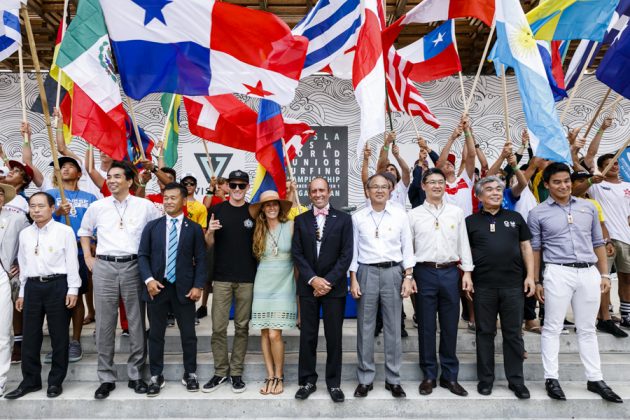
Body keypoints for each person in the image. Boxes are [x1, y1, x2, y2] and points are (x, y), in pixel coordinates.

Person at [528, 162, 622, 403]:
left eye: (567, 181)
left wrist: (603, 274)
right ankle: (552, 377)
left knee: (587, 328)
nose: (563, 186)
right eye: (557, 182)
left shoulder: (588, 208)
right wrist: (537, 279)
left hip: (588, 272)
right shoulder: (538, 212)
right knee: (552, 327)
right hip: (557, 272)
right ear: (547, 185)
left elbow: (598, 243)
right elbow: (536, 249)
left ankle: (595, 378)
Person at [78, 161, 160, 400]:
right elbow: (84, 232)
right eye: (110, 176)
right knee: (104, 323)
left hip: (134, 266)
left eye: (116, 176)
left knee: (135, 322)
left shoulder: (145, 206)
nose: (111, 180)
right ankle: (106, 377)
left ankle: (136, 375)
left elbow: (156, 232)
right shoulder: (98, 206)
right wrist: (88, 257)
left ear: (129, 180)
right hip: (104, 265)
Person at [4, 192, 80, 400]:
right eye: (32, 206)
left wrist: (73, 289)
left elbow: (72, 261)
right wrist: (22, 292)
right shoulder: (25, 234)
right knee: (30, 336)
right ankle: (30, 381)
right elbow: (24, 265)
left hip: (58, 285)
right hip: (33, 288)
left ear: (52, 207)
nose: (36, 210)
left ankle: (55, 381)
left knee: (58, 336)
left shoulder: (64, 231)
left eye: (40, 206)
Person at [465, 176, 535, 399]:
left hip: (513, 286)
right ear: (479, 196)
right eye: (489, 189)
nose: (495, 193)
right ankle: (485, 380)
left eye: (498, 189)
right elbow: (465, 253)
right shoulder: (470, 221)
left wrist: (531, 276)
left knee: (513, 333)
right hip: (483, 287)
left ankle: (516, 381)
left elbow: (526, 247)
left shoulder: (515, 218)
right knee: (485, 333)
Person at [408, 168, 473, 397]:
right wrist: (409, 276)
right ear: (423, 186)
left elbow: (463, 243)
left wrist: (466, 272)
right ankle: (428, 375)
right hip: (424, 271)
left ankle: (449, 376)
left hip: (450, 273)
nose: (437, 186)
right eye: (432, 182)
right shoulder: (414, 215)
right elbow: (409, 249)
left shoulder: (456, 212)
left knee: (449, 325)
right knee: (426, 325)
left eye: (440, 182)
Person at [350, 174, 415, 399]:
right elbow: (354, 251)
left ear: (390, 190)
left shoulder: (400, 215)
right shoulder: (358, 218)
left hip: (393, 272)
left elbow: (407, 247)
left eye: (383, 187)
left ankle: (393, 379)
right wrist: (353, 278)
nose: (379, 190)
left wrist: (408, 276)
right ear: (367, 191)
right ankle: (365, 378)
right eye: (374, 187)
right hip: (366, 272)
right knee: (365, 328)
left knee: (393, 326)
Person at [138, 182, 207, 396]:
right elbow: (143, 256)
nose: (168, 201)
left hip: (185, 289)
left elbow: (202, 259)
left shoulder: (194, 228)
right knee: (156, 334)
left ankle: (190, 373)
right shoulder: (152, 226)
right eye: (165, 197)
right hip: (157, 288)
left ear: (183, 200)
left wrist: (198, 286)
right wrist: (149, 280)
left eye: (173, 198)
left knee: (188, 334)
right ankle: (156, 375)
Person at [292, 177, 353, 403]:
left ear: (329, 192)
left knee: (333, 337)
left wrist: (326, 282)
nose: (318, 194)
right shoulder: (300, 220)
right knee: (308, 336)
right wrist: (313, 280)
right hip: (308, 288)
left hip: (333, 288)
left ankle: (334, 383)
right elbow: (297, 254)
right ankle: (307, 380)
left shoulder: (344, 219)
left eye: (322, 190)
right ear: (309, 194)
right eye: (314, 191)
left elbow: (346, 254)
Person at [203, 170, 257, 393]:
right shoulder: (216, 210)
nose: (236, 190)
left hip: (247, 278)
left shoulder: (254, 211)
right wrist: (210, 233)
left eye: (241, 186)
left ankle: (236, 372)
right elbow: (207, 244)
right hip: (222, 278)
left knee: (242, 327)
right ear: (227, 187)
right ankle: (219, 371)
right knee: (218, 328)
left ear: (247, 187)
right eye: (233, 185)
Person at [45, 157, 97, 364]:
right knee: (56, 299)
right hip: (55, 252)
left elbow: (96, 224)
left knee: (77, 294)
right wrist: (57, 212)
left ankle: (75, 341)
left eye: (70, 166)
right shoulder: (50, 195)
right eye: (62, 167)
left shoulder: (90, 197)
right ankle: (59, 343)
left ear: (79, 173)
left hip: (78, 251)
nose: (65, 169)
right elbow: (39, 221)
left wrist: (94, 242)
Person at [249, 190, 296, 396]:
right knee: (265, 332)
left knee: (276, 333)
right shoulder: (257, 229)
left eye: (275, 204)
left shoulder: (291, 226)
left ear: (280, 206)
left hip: (284, 283)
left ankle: (279, 375)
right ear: (262, 209)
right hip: (263, 283)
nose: (271, 208)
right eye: (267, 205)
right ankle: (269, 375)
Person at [570, 171, 626, 338]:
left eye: (585, 179)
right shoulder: (567, 199)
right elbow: (574, 192)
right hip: (571, 253)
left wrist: (607, 241)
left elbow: (601, 224)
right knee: (576, 288)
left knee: (601, 281)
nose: (584, 183)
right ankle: (583, 321)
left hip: (592, 249)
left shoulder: (593, 202)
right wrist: (589, 180)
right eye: (579, 180)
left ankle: (605, 319)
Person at [586, 154, 630, 330]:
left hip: (627, 238)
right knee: (604, 280)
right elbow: (587, 159)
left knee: (626, 278)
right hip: (605, 239)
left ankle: (626, 314)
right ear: (601, 167)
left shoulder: (628, 186)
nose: (614, 166)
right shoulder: (597, 185)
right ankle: (603, 317)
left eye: (616, 163)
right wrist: (602, 127)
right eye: (608, 164)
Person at [0, 184, 29, 396]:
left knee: (2, 332)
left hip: (3, 275)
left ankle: (0, 379)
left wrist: (20, 262)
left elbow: (29, 241)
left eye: (0, 194)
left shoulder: (16, 218)